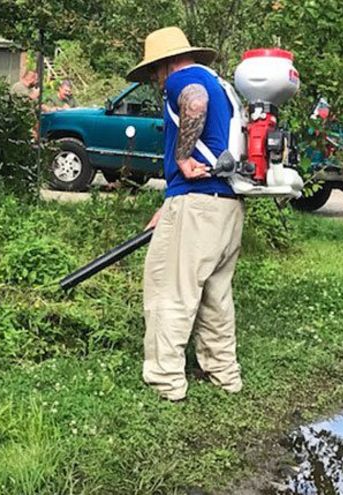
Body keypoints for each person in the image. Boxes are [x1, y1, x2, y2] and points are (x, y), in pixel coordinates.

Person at [126, 26, 245, 402]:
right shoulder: (220, 84)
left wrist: (180, 157)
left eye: (152, 73)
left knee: (169, 290)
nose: (154, 81)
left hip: (197, 207)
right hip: (226, 205)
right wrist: (168, 205)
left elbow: (193, 103)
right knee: (216, 295)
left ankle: (166, 380)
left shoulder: (185, 80)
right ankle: (224, 373)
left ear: (164, 65)